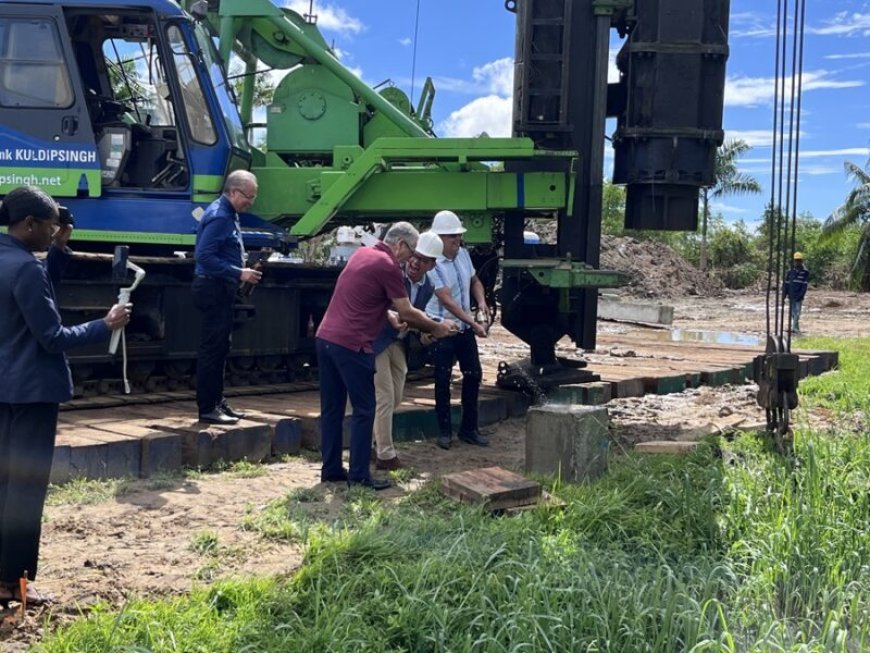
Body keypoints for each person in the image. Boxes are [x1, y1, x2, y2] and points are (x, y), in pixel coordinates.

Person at [0, 186, 130, 606]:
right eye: (50, 225)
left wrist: (57, 249)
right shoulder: (25, 269)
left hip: (4, 389)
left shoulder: (10, 260)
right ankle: (14, 581)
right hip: (32, 393)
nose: (55, 229)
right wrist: (104, 325)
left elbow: (32, 299)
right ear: (29, 224)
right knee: (25, 488)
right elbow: (52, 336)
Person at [316, 222, 456, 490]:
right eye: (412, 251)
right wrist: (437, 328)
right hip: (353, 344)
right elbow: (407, 311)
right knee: (365, 408)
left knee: (332, 408)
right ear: (400, 244)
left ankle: (331, 469)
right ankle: (359, 475)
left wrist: (388, 316)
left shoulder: (362, 254)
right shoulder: (388, 265)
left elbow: (362, 298)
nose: (412, 258)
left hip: (326, 339)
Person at [192, 170, 263, 424]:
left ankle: (216, 402)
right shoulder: (221, 217)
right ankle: (208, 408)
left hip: (220, 288)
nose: (250, 202)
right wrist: (239, 272)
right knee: (213, 349)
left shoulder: (228, 214)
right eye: (248, 197)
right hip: (213, 288)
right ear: (233, 192)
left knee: (221, 347)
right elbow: (204, 256)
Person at [371, 231, 443, 470]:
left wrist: (425, 332)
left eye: (423, 260)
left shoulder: (428, 286)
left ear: (432, 265)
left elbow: (414, 317)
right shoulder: (392, 272)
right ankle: (385, 454)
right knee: (384, 395)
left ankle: (372, 441)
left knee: (396, 396)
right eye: (415, 256)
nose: (415, 262)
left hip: (399, 343)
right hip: (377, 339)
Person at [425, 210, 491, 450]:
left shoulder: (463, 255)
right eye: (452, 236)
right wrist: (475, 324)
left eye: (458, 236)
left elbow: (474, 281)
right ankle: (444, 432)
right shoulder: (433, 263)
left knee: (473, 374)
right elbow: (446, 299)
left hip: (462, 327)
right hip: (443, 328)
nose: (457, 240)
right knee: (442, 378)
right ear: (439, 238)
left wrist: (481, 303)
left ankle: (469, 429)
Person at [784, 251, 810, 334]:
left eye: (799, 260)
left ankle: (794, 328)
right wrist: (783, 296)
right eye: (796, 260)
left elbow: (804, 286)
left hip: (799, 296)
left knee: (797, 313)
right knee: (793, 313)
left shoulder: (805, 272)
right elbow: (786, 285)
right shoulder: (790, 272)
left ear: (802, 261)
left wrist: (801, 295)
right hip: (791, 295)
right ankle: (795, 327)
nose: (798, 262)